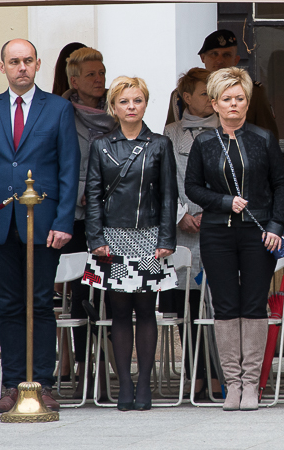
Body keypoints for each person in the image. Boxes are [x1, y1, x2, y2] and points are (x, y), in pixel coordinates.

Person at [0, 38, 79, 414]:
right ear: (3, 67)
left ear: (38, 64)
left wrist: (64, 220)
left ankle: (42, 385)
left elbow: (69, 168)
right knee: (9, 304)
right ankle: (13, 385)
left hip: (44, 222)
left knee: (41, 303)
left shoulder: (58, 108)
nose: (22, 67)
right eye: (14, 62)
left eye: (28, 60)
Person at [184, 67, 284, 411]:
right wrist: (224, 201)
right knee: (226, 305)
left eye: (239, 98)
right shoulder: (203, 142)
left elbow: (280, 185)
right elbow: (192, 187)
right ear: (214, 103)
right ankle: (232, 384)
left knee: (254, 304)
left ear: (248, 102)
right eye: (227, 98)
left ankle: (251, 385)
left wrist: (276, 225)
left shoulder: (263, 138)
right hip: (217, 231)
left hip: (259, 233)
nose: (234, 104)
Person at [83, 76, 178, 410]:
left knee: (147, 311)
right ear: (113, 107)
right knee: (119, 312)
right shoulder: (101, 145)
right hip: (113, 238)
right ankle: (125, 384)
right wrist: (96, 238)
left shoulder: (160, 144)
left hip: (150, 236)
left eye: (137, 100)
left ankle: (145, 385)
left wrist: (166, 238)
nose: (131, 107)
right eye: (124, 101)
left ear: (146, 104)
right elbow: (93, 195)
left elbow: (169, 195)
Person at [163, 66, 218, 396]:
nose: (211, 99)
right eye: (204, 93)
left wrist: (213, 211)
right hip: (184, 232)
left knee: (218, 305)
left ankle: (220, 376)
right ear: (186, 97)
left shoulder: (226, 128)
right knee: (189, 304)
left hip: (217, 226)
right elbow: (164, 179)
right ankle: (196, 374)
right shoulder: (172, 133)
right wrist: (181, 214)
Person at [61, 46, 114, 383]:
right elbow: (54, 163)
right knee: (82, 291)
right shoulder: (60, 113)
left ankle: (110, 363)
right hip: (76, 216)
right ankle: (83, 363)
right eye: (91, 74)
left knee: (112, 292)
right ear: (74, 81)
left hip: (113, 216)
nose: (99, 79)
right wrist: (81, 190)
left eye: (102, 73)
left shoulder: (119, 108)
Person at [165, 30, 278, 137]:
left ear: (236, 60)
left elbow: (268, 139)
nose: (219, 60)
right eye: (214, 54)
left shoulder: (254, 93)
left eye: (226, 55)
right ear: (203, 58)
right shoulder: (183, 93)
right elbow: (173, 137)